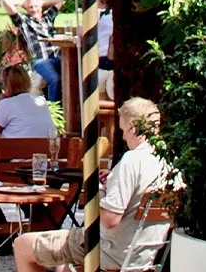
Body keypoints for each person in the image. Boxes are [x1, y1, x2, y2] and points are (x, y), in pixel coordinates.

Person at [14, 98, 181, 272]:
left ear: (133, 127)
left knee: (22, 244)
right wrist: (113, 182)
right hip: (143, 256)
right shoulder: (170, 161)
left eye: (123, 130)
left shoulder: (132, 160)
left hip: (107, 251)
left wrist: (98, 191)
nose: (123, 137)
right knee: (62, 265)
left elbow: (110, 219)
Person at [4, 0, 65, 102]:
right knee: (54, 79)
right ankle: (52, 112)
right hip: (41, 60)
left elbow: (60, 0)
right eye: (30, 7)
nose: (34, 10)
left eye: (36, 7)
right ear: (26, 9)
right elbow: (6, 1)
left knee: (76, 74)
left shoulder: (47, 18)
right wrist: (24, 2)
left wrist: (41, 2)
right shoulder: (24, 21)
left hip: (58, 57)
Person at [0, 65, 57, 139]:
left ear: (6, 85)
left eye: (2, 84)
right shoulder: (41, 101)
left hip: (19, 152)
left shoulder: (6, 104)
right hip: (46, 151)